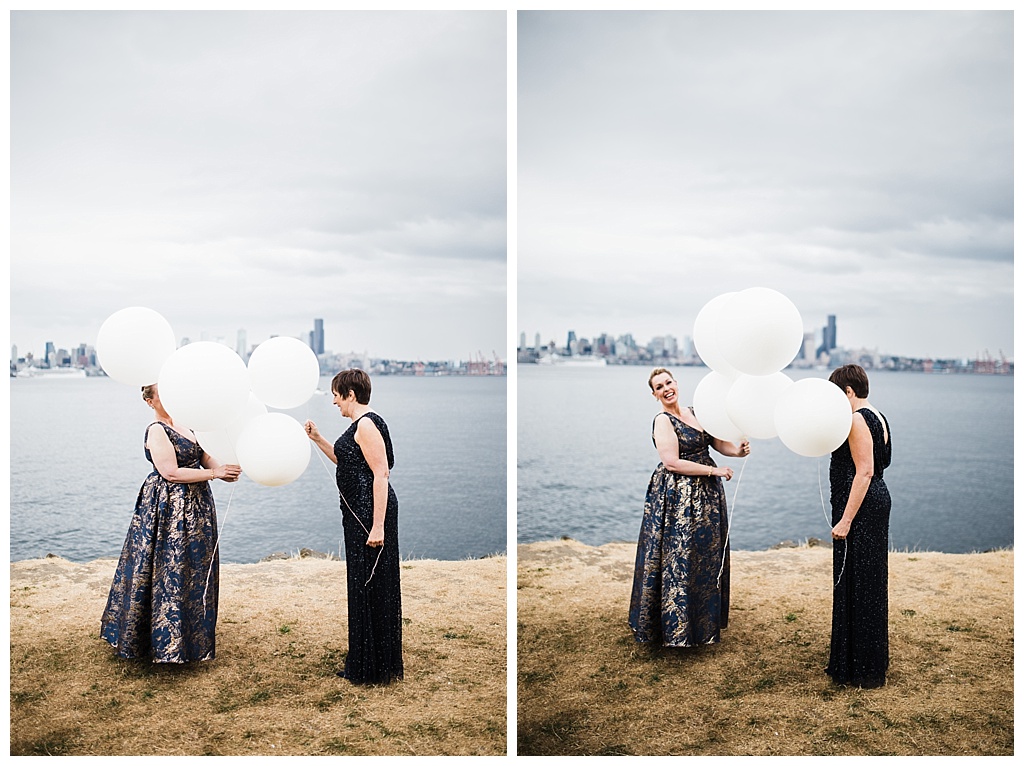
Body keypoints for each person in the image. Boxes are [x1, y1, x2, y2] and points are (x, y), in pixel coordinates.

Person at [100, 384, 241, 663]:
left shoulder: (188, 423)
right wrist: (214, 473)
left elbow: (204, 455)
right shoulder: (156, 430)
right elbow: (170, 472)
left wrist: (223, 467)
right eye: (161, 393)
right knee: (166, 567)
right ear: (150, 401)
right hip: (168, 507)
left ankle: (192, 638)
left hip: (198, 505)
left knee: (195, 566)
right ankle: (158, 642)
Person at [629, 367, 750, 647]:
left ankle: (701, 623)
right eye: (659, 387)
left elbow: (718, 442)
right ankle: (672, 627)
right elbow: (672, 462)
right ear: (654, 394)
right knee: (677, 556)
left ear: (676, 383)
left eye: (668, 382)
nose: (666, 388)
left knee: (705, 554)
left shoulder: (697, 411)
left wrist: (738, 452)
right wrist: (715, 472)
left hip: (707, 496)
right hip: (677, 497)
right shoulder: (662, 421)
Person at [305, 368, 403, 685]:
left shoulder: (367, 424)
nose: (334, 401)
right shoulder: (357, 426)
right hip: (357, 514)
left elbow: (381, 475)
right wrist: (318, 438)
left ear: (350, 394)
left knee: (372, 585)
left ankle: (374, 666)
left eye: (336, 395)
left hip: (369, 515)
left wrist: (377, 527)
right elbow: (345, 461)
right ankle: (366, 660)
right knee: (362, 584)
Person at [826, 363, 892, 688]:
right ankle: (866, 660)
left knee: (860, 581)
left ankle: (861, 668)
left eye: (837, 395)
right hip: (876, 499)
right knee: (869, 580)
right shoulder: (879, 416)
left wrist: (846, 520)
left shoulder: (855, 418)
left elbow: (864, 471)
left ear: (848, 392)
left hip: (861, 506)